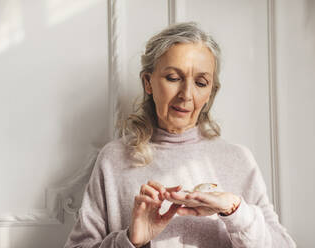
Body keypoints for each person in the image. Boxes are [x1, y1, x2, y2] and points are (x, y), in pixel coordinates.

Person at [64, 21, 297, 248]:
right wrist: (130, 241)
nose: (186, 94)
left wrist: (235, 211)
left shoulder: (238, 160)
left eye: (201, 82)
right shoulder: (114, 158)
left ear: (210, 93)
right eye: (173, 78)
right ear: (148, 82)